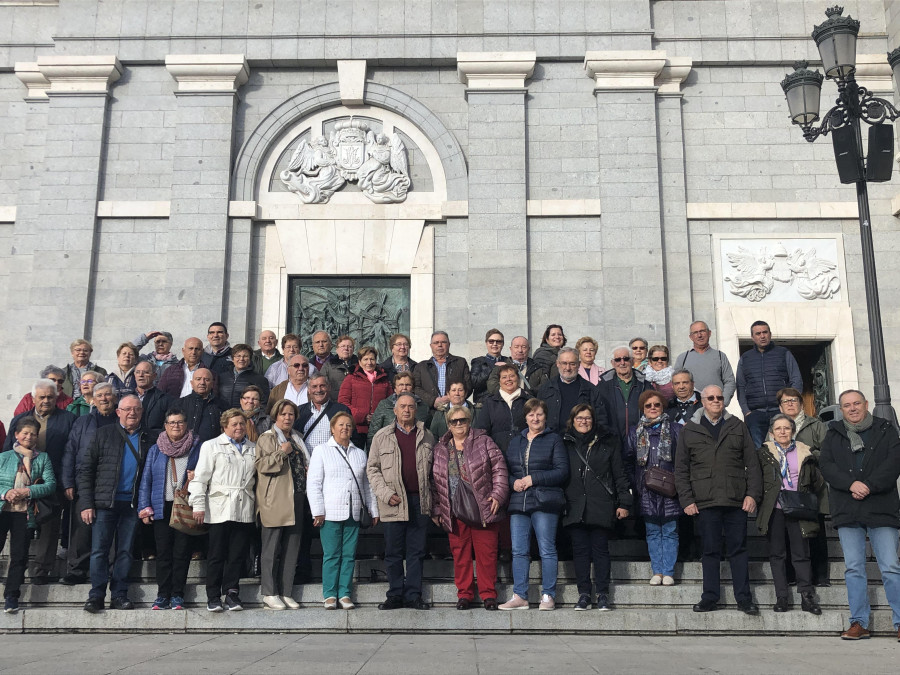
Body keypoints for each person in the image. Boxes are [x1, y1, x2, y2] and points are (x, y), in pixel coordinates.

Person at [819, 390, 900, 641]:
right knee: (854, 568)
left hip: (881, 507)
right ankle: (859, 622)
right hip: (848, 508)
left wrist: (869, 486)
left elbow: (894, 462)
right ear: (841, 409)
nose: (852, 408)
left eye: (856, 403)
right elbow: (827, 466)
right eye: (847, 405)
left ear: (866, 405)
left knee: (890, 567)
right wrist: (851, 484)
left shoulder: (885, 429)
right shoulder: (833, 433)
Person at [674, 385, 762, 615]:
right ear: (702, 401)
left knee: (738, 550)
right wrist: (686, 500)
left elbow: (752, 463)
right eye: (710, 398)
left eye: (719, 397)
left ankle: (744, 598)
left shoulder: (737, 426)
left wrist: (752, 494)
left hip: (735, 499)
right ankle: (709, 597)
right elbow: (681, 468)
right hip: (705, 500)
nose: (716, 401)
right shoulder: (689, 429)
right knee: (710, 551)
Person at [78, 395, 152, 612]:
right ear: (118, 412)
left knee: (126, 551)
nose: (132, 413)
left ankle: (119, 594)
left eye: (137, 409)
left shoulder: (149, 438)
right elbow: (85, 470)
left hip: (132, 504)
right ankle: (96, 595)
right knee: (100, 550)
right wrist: (86, 503)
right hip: (104, 503)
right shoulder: (103, 434)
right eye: (127, 409)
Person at [431, 404, 508, 610]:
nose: (458, 424)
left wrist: (497, 495)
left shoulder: (484, 442)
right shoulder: (440, 449)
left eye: (462, 420)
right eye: (454, 421)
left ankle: (488, 594)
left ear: (469, 421)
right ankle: (464, 594)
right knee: (461, 555)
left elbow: (499, 469)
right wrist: (437, 508)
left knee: (487, 554)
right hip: (454, 509)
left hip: (483, 506)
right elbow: (434, 482)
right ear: (448, 424)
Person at [499, 398, 569, 611]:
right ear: (526, 417)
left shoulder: (554, 439)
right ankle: (520, 595)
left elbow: (561, 471)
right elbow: (507, 469)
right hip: (519, 501)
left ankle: (548, 595)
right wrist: (513, 482)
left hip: (545, 501)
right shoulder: (516, 441)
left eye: (539, 414)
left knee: (546, 549)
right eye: (531, 414)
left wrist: (533, 479)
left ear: (545, 416)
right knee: (519, 550)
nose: (535, 418)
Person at [4, 379, 76, 584]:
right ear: (33, 398)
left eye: (50, 397)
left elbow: (71, 453)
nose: (46, 400)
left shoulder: (68, 419)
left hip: (52, 481)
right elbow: (8, 451)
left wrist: (67, 481)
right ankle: (17, 568)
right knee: (19, 527)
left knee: (49, 526)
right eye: (42, 397)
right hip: (20, 483)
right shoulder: (20, 419)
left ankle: (41, 570)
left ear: (57, 397)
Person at [367, 393, 435, 610]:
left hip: (419, 501)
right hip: (393, 501)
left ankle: (414, 595)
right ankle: (395, 594)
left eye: (411, 407)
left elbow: (435, 472)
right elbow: (372, 468)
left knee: (416, 551)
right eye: (402, 407)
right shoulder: (381, 436)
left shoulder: (427, 436)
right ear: (394, 411)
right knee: (394, 552)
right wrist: (385, 493)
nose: (406, 410)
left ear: (416, 410)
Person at [307, 412, 379, 610]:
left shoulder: (359, 453)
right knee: (331, 554)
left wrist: (373, 509)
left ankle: (344, 593)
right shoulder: (321, 451)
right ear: (332, 428)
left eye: (348, 425)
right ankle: (330, 594)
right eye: (340, 425)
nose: (345, 428)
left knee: (349, 555)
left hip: (353, 511)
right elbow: (313, 483)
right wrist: (317, 511)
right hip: (330, 512)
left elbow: (367, 485)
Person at [188, 408, 258, 612]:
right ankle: (213, 596)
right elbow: (201, 478)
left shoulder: (253, 448)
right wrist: (198, 505)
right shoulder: (211, 446)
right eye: (234, 424)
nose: (238, 427)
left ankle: (232, 593)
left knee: (237, 554)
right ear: (225, 426)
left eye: (242, 423)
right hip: (219, 506)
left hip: (244, 505)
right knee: (217, 554)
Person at [563, 404, 630, 611]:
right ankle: (583, 594)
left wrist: (624, 503)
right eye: (579, 418)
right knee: (580, 552)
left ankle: (602, 594)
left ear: (593, 420)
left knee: (601, 551)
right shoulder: (564, 442)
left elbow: (619, 473)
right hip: (575, 505)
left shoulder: (607, 442)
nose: (584, 422)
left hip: (600, 504)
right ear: (572, 421)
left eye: (587, 418)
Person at [756, 413, 824, 615]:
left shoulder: (805, 452)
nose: (783, 432)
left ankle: (806, 595)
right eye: (778, 428)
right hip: (775, 509)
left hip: (798, 506)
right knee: (777, 554)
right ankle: (782, 596)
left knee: (801, 553)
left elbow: (817, 481)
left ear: (793, 431)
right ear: (771, 432)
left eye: (786, 428)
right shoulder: (763, 454)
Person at [137, 408, 202, 611]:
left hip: (185, 506)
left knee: (182, 552)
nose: (176, 426)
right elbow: (146, 479)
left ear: (186, 425)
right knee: (163, 553)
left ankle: (178, 595)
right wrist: (144, 507)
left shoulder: (197, 447)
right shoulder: (157, 448)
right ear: (165, 426)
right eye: (171, 422)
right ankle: (162, 595)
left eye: (180, 422)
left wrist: (196, 476)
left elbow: (207, 474)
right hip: (161, 506)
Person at [60, 383, 117, 586]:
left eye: (107, 395)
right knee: (81, 529)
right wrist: (67, 481)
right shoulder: (83, 422)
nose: (103, 399)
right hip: (84, 482)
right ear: (92, 399)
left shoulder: (121, 421)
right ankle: (77, 570)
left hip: (112, 483)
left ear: (114, 398)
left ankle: (110, 569)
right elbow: (70, 452)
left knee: (111, 529)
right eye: (99, 395)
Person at [255, 399, 309, 611]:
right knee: (271, 548)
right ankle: (269, 592)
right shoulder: (267, 438)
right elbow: (261, 465)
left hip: (296, 497)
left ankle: (286, 591)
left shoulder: (298, 438)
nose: (288, 418)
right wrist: (281, 452)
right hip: (275, 499)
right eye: (283, 414)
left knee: (291, 548)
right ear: (275, 416)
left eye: (291, 414)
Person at [774, 386, 830, 586]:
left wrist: (807, 453)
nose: (790, 404)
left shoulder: (815, 425)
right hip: (786, 490)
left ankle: (820, 575)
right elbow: (768, 452)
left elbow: (828, 453)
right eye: (786, 401)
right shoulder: (774, 427)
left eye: (794, 400)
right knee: (789, 535)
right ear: (780, 406)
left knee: (815, 531)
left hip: (812, 487)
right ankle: (791, 575)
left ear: (800, 403)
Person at [0, 417, 57, 613]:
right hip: (3, 509)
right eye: (25, 433)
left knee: (19, 555)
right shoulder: (4, 457)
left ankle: (12, 596)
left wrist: (28, 491)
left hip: (25, 513)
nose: (29, 437)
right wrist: (6, 493)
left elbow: (50, 485)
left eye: (33, 434)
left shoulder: (42, 458)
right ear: (16, 435)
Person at [628, 391, 681, 586]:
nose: (652, 408)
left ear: (663, 407)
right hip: (646, 490)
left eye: (656, 405)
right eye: (648, 405)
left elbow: (683, 459)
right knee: (652, 531)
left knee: (669, 530)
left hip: (670, 489)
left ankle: (668, 571)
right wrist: (635, 483)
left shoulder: (676, 429)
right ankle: (656, 571)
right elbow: (628, 459)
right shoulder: (635, 431)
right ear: (643, 408)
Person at [736, 321, 803, 447]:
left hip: (780, 411)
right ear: (752, 337)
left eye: (765, 332)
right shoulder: (746, 358)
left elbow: (796, 379)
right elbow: (740, 385)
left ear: (770, 334)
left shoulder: (783, 353)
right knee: (758, 450)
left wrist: (790, 404)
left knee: (785, 446)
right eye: (758, 333)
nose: (762, 336)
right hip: (755, 413)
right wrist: (746, 411)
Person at [591, 346, 648, 463]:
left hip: (640, 443)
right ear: (613, 363)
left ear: (632, 361)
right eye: (618, 360)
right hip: (612, 443)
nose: (622, 363)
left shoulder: (645, 385)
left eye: (626, 359)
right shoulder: (602, 386)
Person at [338, 346, 393, 448]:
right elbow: (343, 402)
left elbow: (390, 402)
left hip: (378, 428)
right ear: (359, 361)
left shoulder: (384, 379)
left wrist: (379, 418)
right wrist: (363, 417)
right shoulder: (351, 378)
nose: (369, 362)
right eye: (365, 359)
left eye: (372, 359)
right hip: (356, 428)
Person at [674, 321, 736, 405]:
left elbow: (729, 381)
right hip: (690, 408)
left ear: (709, 333)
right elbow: (676, 383)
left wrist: (723, 402)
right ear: (691, 337)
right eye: (695, 332)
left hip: (716, 406)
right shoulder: (683, 358)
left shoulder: (720, 356)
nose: (699, 335)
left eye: (702, 331)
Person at [475, 363, 528, 455]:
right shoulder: (490, 403)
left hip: (525, 453)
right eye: (504, 377)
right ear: (499, 381)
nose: (508, 379)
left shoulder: (529, 401)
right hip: (498, 455)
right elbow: (481, 431)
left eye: (512, 376)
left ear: (518, 379)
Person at [413, 331, 472, 413]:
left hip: (456, 410)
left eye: (443, 342)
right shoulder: (421, 366)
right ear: (431, 346)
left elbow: (468, 385)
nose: (440, 345)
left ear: (449, 344)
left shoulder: (460, 362)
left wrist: (452, 398)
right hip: (430, 412)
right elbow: (416, 388)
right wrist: (433, 400)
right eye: (436, 342)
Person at [537, 347, 592, 434]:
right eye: (564, 363)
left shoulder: (590, 389)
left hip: (580, 441)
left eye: (572, 364)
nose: (568, 368)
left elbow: (600, 418)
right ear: (557, 364)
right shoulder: (545, 388)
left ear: (579, 364)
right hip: (552, 440)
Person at [367, 372, 430, 445]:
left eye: (408, 385)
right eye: (401, 385)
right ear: (395, 388)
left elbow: (428, 433)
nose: (404, 388)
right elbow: (373, 434)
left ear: (413, 388)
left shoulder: (423, 407)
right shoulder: (384, 405)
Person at [294, 374, 351, 451]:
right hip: (307, 461)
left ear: (329, 387)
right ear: (309, 390)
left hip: (334, 461)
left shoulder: (342, 410)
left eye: (322, 386)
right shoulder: (300, 411)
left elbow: (352, 438)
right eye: (314, 386)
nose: (319, 390)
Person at [218, 343, 270, 410]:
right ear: (232, 359)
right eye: (238, 356)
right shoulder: (222, 377)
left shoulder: (259, 379)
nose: (241, 359)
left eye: (245, 356)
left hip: (246, 417)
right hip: (224, 416)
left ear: (250, 359)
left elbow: (263, 404)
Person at [179, 368, 222, 443]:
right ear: (192, 383)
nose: (202, 383)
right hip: (187, 449)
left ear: (212, 384)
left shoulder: (221, 405)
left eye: (207, 380)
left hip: (213, 450)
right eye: (198, 379)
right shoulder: (180, 404)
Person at [134, 360, 173, 436]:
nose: (141, 375)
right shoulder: (126, 398)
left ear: (154, 376)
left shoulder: (165, 399)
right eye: (138, 372)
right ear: (134, 375)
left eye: (146, 372)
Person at [470, 328, 507, 405]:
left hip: (505, 403)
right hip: (483, 403)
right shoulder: (478, 361)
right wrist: (492, 367)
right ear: (486, 343)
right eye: (491, 341)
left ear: (503, 344)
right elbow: (474, 383)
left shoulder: (508, 361)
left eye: (498, 341)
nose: (494, 344)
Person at [319, 335, 359, 401]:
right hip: (335, 404)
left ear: (353, 350)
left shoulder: (360, 365)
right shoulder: (328, 365)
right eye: (343, 346)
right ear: (337, 349)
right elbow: (322, 385)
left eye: (349, 346)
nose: (346, 348)